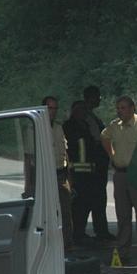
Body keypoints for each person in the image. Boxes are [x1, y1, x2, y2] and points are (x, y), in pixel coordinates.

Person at [101, 96, 137, 264]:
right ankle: (123, 251)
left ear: (133, 108)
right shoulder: (114, 126)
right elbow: (104, 137)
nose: (120, 111)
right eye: (118, 108)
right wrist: (111, 155)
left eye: (123, 108)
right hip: (120, 174)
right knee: (123, 215)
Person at [63, 100, 101, 245]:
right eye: (79, 110)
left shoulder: (86, 126)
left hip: (88, 173)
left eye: (84, 110)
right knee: (76, 206)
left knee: (86, 205)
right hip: (76, 172)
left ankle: (80, 232)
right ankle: (74, 234)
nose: (82, 113)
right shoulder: (68, 127)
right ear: (73, 111)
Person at [82, 86, 115, 241]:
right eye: (97, 96)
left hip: (96, 164)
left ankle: (101, 230)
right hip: (92, 165)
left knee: (98, 198)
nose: (99, 99)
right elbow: (96, 139)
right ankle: (97, 231)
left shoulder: (91, 116)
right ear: (91, 97)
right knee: (92, 198)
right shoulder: (86, 117)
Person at [42, 96, 73, 250]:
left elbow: (65, 152)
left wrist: (69, 177)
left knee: (66, 212)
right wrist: (29, 184)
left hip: (61, 175)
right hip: (44, 176)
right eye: (50, 108)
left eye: (55, 108)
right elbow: (29, 157)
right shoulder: (35, 128)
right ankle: (48, 246)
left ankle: (67, 245)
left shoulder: (59, 127)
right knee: (47, 214)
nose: (53, 112)